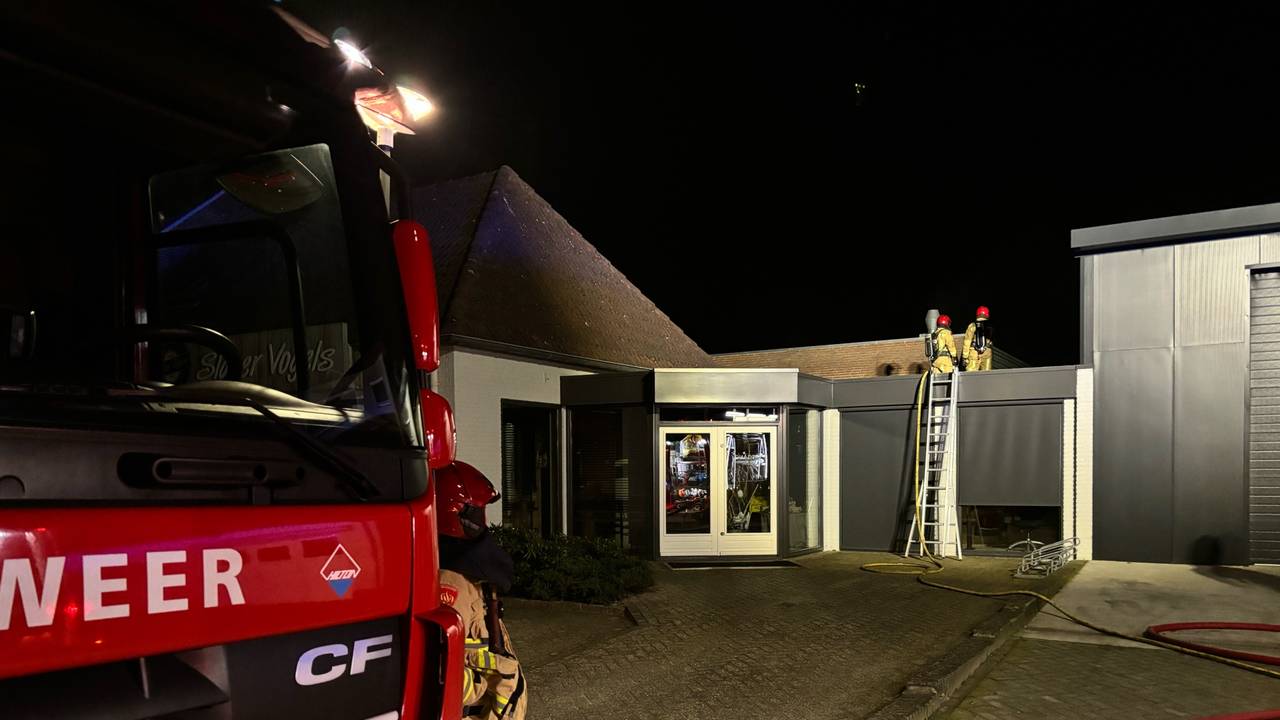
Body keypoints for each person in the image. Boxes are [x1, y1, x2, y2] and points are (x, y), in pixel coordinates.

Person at [435, 461, 528, 719]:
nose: (481, 521)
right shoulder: (451, 582)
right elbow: (442, 673)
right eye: (475, 513)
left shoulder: (471, 572)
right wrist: (491, 680)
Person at [962, 306, 993, 372]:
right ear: (987, 315)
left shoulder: (972, 325)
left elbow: (967, 342)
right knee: (987, 375)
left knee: (970, 375)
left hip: (974, 352)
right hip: (987, 352)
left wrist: (965, 357)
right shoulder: (990, 326)